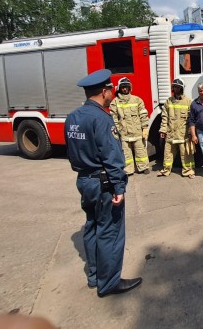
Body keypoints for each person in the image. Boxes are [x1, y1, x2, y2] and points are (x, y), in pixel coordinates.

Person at [65, 69, 142, 297]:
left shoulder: (73, 117)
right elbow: (111, 156)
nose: (113, 93)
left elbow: (72, 153)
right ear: (104, 91)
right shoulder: (101, 118)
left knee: (92, 226)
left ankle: (94, 276)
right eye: (111, 89)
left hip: (85, 181)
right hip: (104, 183)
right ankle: (108, 283)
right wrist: (119, 187)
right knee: (110, 231)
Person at [109, 77, 150, 175]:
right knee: (126, 154)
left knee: (141, 151)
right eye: (123, 87)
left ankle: (143, 167)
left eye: (126, 87)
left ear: (130, 88)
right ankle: (128, 170)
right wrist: (117, 131)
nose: (124, 89)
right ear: (119, 88)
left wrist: (145, 128)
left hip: (137, 132)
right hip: (123, 134)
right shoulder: (115, 102)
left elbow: (143, 115)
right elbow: (113, 118)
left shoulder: (137, 100)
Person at [157, 78, 195, 179]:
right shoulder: (169, 101)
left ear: (182, 88)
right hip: (171, 133)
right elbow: (164, 117)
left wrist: (190, 133)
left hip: (183, 134)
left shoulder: (188, 101)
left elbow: (191, 119)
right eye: (175, 87)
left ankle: (188, 171)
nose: (176, 89)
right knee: (168, 153)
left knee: (186, 154)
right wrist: (163, 130)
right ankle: (166, 170)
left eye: (178, 87)